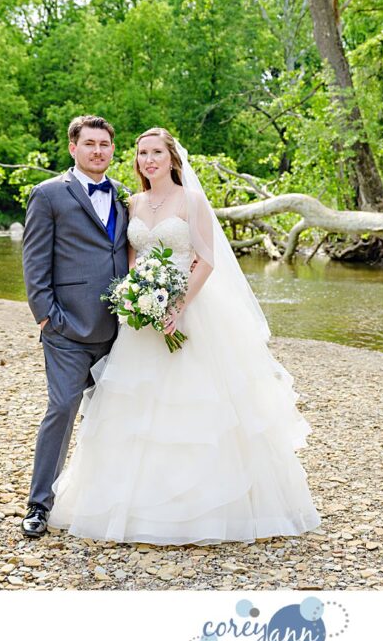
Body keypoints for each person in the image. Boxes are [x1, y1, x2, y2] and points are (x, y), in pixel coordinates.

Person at [47, 127, 321, 545]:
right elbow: (133, 258)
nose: (148, 160)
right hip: (142, 320)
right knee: (134, 409)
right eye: (142, 153)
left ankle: (203, 511)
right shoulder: (133, 201)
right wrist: (137, 302)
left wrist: (176, 307)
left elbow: (206, 261)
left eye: (156, 152)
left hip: (188, 313)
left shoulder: (192, 201)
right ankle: (132, 506)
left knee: (197, 406)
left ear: (172, 158)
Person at [20, 115, 131, 538]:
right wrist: (48, 316)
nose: (98, 151)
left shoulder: (124, 195)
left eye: (105, 144)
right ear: (73, 148)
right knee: (62, 409)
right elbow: (34, 262)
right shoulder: (49, 194)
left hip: (121, 329)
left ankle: (109, 501)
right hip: (66, 328)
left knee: (116, 415)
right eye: (90, 144)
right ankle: (38, 504)